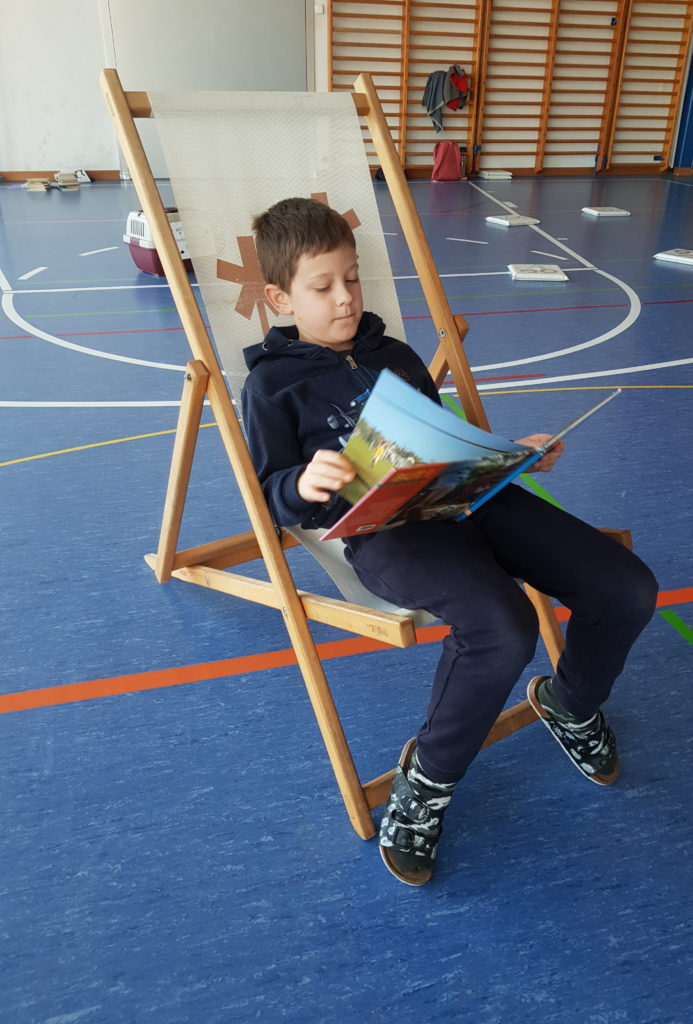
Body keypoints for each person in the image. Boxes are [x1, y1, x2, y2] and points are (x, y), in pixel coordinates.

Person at [241, 197, 658, 887]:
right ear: (280, 299)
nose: (345, 298)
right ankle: (427, 782)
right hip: (383, 531)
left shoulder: (396, 355)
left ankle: (571, 702)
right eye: (323, 287)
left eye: (352, 278)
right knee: (502, 625)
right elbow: (267, 492)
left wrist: (508, 456)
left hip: (465, 500)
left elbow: (439, 442)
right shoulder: (272, 384)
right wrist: (301, 482)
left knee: (627, 586)